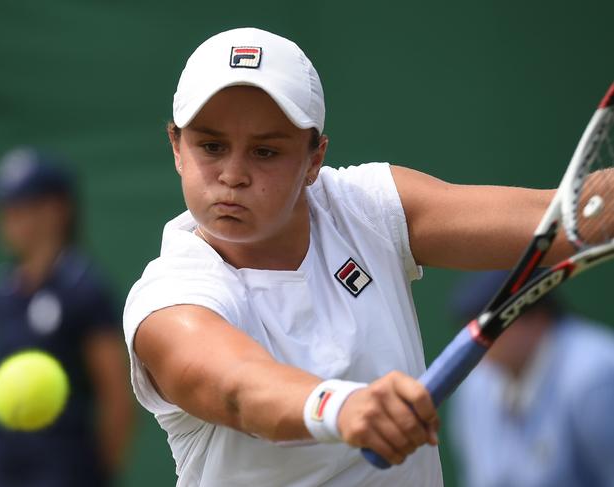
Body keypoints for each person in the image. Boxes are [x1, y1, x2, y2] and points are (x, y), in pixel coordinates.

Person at [123, 27, 576, 486]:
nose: (234, 175)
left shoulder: (367, 206)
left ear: (314, 159)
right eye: (211, 147)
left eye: (265, 151)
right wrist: (341, 407)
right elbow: (238, 386)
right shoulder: (169, 296)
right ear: (177, 146)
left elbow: (561, 217)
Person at [0, 147, 134, 487]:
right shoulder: (0, 291)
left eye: (21, 207)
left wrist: (97, 476)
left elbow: (116, 400)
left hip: (68, 474)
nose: (9, 219)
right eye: (4, 209)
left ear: (57, 210)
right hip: (3, 473)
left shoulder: (84, 289)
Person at [447, 271, 614, 487]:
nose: (476, 337)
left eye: (490, 324)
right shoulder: (474, 387)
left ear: (537, 317)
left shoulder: (595, 376)